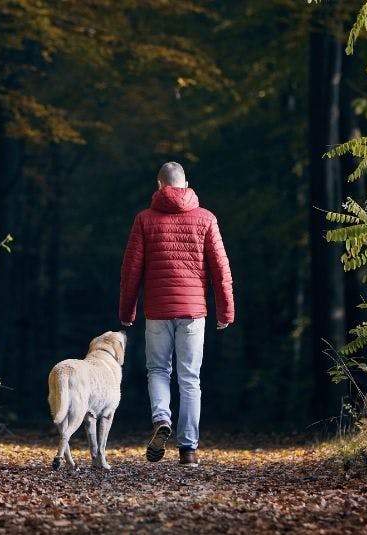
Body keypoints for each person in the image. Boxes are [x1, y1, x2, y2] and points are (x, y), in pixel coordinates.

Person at [119, 161, 234, 467]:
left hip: (157, 310)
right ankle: (189, 450)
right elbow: (221, 270)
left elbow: (131, 270)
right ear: (186, 184)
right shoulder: (206, 219)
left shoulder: (144, 220)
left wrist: (126, 310)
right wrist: (226, 309)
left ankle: (160, 420)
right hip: (194, 312)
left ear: (160, 186)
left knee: (158, 371)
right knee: (190, 379)